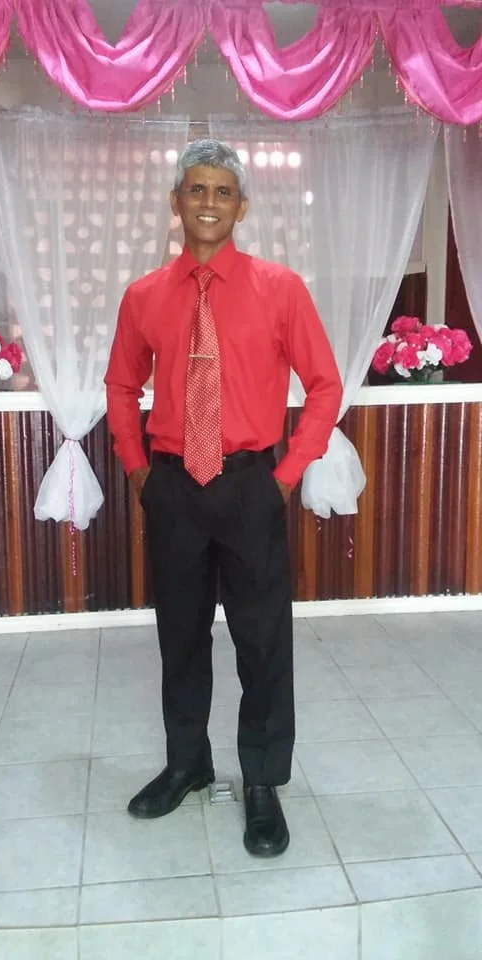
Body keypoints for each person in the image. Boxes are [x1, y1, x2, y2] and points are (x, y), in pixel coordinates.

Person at [104, 139, 342, 858]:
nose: (208, 202)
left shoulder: (281, 289)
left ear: (242, 205)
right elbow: (120, 385)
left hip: (249, 485)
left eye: (222, 191)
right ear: (176, 203)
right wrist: (139, 468)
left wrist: (286, 474)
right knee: (179, 634)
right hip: (173, 484)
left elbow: (325, 385)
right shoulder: (145, 295)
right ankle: (187, 763)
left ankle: (263, 781)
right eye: (195, 189)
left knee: (261, 638)